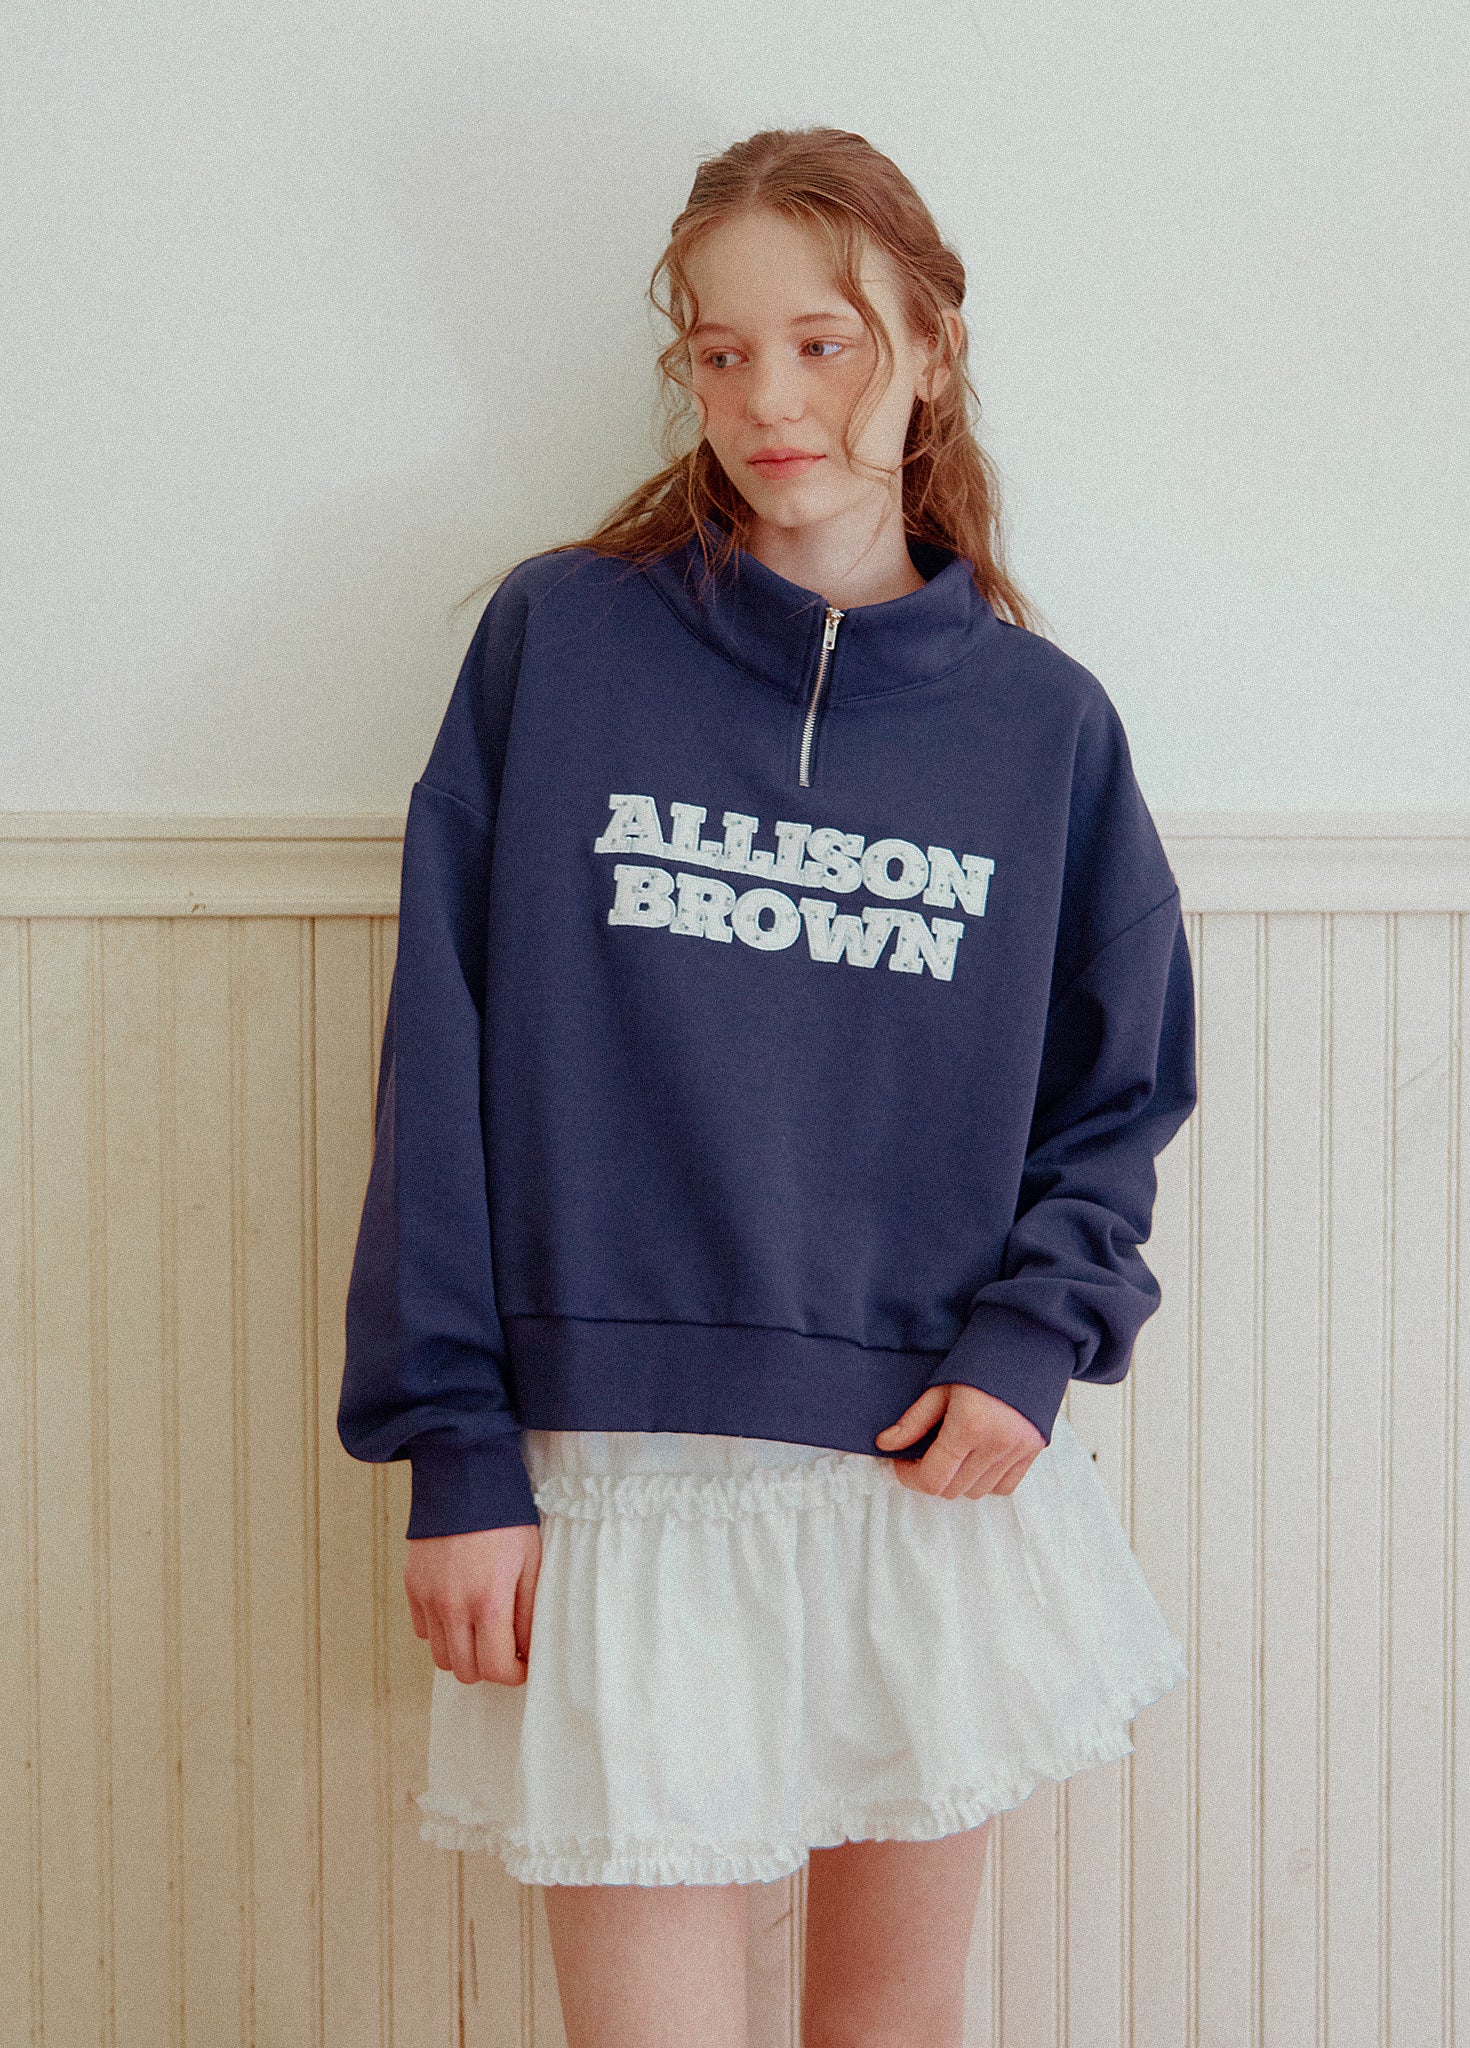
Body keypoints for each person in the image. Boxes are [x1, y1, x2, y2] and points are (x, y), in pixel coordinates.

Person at [337, 124, 1198, 2048]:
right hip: (612, 1481)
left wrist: (1034, 1344)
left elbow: (1121, 1087)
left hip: (926, 1468)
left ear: (932, 351)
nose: (769, 402)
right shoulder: (561, 642)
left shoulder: (1040, 725)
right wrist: (453, 1446)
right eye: (721, 354)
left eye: (824, 344)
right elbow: (441, 1057)